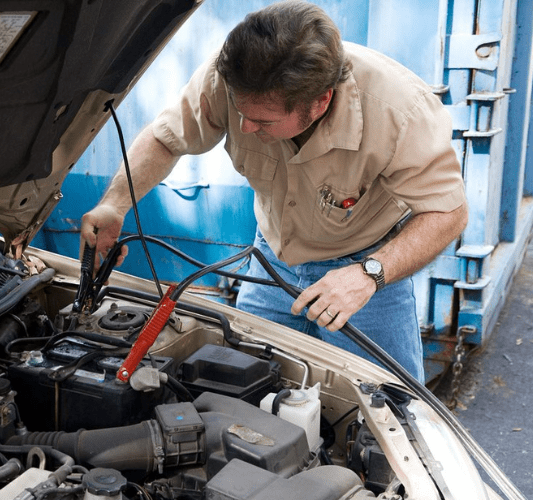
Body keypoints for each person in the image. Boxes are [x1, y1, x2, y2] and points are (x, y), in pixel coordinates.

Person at [79, 0, 467, 383]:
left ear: (320, 103)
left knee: (390, 408)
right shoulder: (229, 76)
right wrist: (115, 204)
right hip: (271, 263)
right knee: (241, 390)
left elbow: (448, 212)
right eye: (240, 112)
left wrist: (368, 275)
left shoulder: (399, 110)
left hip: (366, 270)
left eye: (262, 120)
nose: (244, 128)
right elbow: (166, 139)